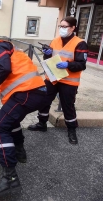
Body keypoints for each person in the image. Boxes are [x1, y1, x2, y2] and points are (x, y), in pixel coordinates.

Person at [0, 28, 47, 196]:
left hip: (26, 93)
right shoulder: (8, 48)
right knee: (11, 122)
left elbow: (3, 70)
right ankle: (19, 151)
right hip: (33, 92)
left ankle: (10, 180)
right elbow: (9, 77)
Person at [28, 16, 88, 145]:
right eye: (60, 26)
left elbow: (82, 64)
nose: (62, 29)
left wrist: (68, 65)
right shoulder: (55, 41)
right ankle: (42, 123)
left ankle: (71, 130)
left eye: (65, 27)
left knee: (68, 105)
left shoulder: (80, 43)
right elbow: (49, 57)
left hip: (68, 81)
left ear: (73, 28)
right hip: (52, 77)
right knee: (44, 100)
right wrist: (47, 52)